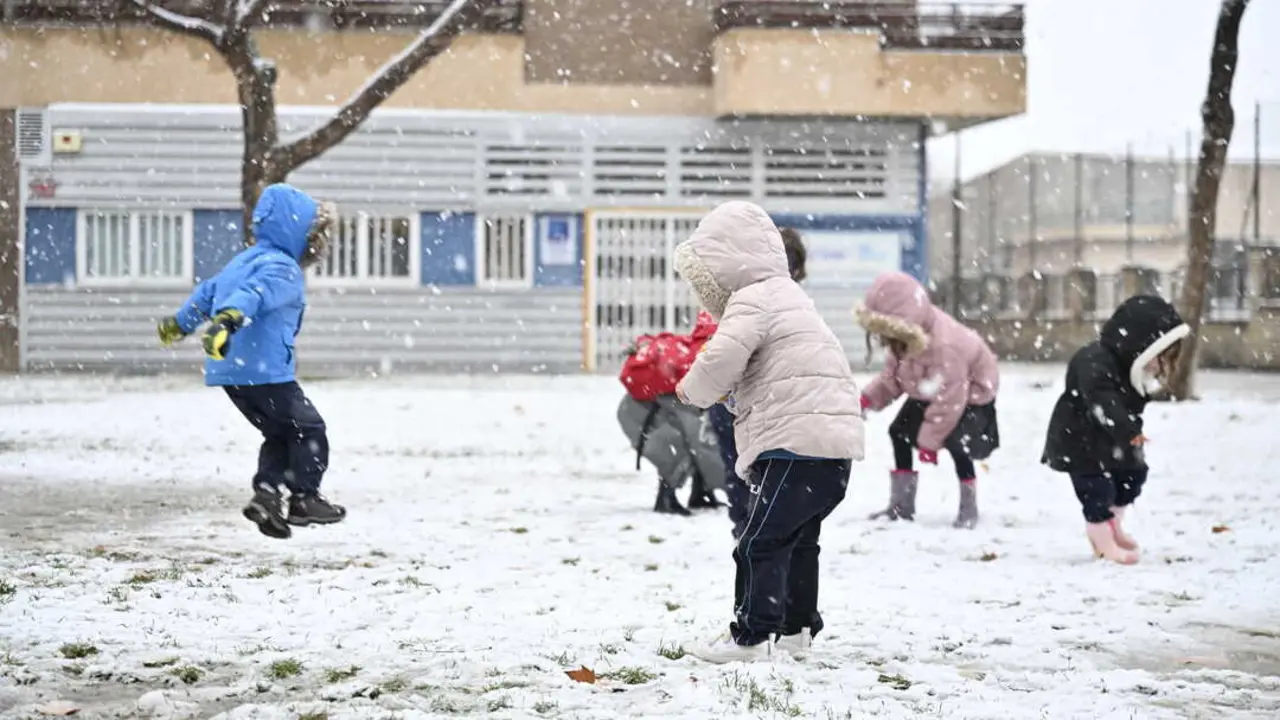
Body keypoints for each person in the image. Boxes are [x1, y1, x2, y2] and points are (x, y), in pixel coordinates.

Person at [672, 201, 864, 663]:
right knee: (800, 542)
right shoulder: (793, 298)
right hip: (831, 446)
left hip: (794, 447)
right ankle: (796, 630)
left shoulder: (753, 298)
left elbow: (722, 357)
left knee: (758, 541)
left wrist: (690, 391)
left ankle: (752, 636)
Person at [156, 183, 342, 540]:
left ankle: (267, 495)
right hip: (266, 371)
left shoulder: (240, 263)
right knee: (310, 430)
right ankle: (304, 497)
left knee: (279, 433)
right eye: (312, 235)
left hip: (231, 373)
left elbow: (206, 294)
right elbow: (252, 296)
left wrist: (180, 324)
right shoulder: (283, 269)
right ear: (297, 232)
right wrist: (228, 320)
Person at [1041, 295, 1188, 564]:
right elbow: (1102, 400)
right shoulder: (1094, 360)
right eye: (1159, 357)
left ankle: (1112, 524)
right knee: (1096, 490)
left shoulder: (1128, 366)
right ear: (1140, 344)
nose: (1157, 366)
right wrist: (1126, 428)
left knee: (1134, 474)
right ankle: (1102, 538)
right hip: (1080, 439)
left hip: (1111, 439)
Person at [855, 271, 1000, 529]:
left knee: (958, 444)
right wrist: (867, 400)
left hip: (971, 395)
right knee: (898, 432)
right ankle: (901, 505)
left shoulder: (945, 346)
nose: (883, 340)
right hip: (931, 389)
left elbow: (951, 398)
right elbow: (893, 378)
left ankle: (969, 507)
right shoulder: (905, 337)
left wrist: (929, 442)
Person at [708, 227, 809, 538]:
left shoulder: (739, 294)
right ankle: (755, 530)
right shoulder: (792, 304)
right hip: (761, 401)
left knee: (742, 469)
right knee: (766, 473)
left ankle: (747, 527)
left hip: (738, 399)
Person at [617, 312, 725, 515]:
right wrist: (729, 483)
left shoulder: (698, 355)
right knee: (679, 446)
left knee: (693, 440)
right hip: (638, 415)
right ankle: (666, 500)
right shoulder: (694, 368)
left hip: (647, 410)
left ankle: (700, 492)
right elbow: (699, 440)